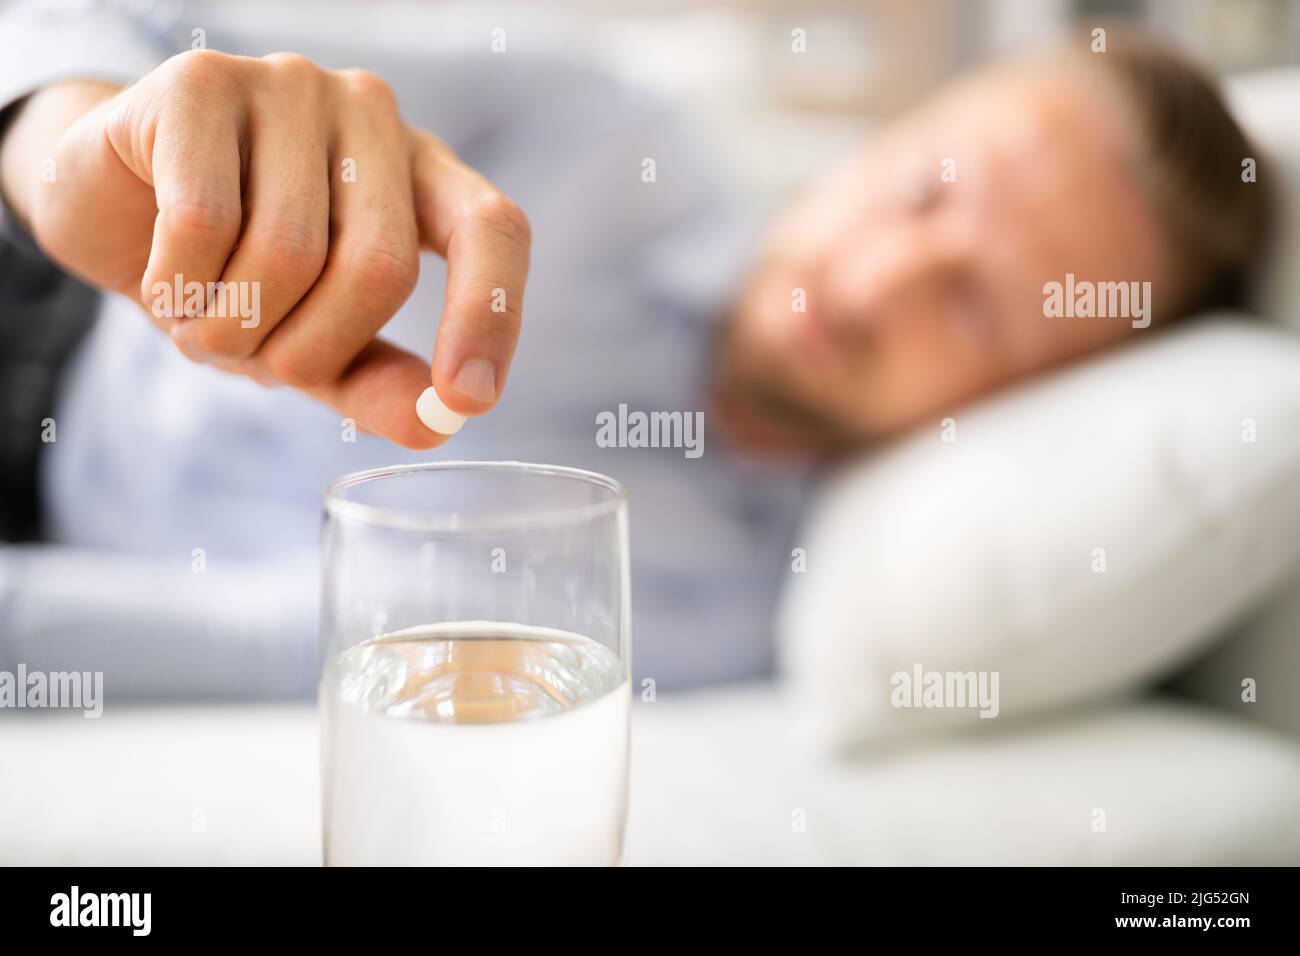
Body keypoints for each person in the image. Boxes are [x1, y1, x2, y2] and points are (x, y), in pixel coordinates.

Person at [0, 2, 1270, 698]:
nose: (877, 279)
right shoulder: (595, 123)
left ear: (1026, 399)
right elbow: (120, 25)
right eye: (926, 189)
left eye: (980, 307)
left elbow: (271, 640)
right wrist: (69, 144)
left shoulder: (716, 606)